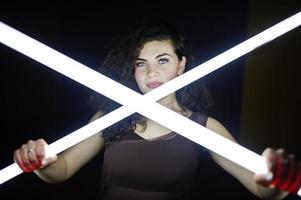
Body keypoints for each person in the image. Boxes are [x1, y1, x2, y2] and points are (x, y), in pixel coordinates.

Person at [13, 22, 300, 200]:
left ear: (181, 65)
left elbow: (261, 188)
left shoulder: (203, 126)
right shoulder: (111, 119)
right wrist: (41, 163)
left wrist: (276, 181)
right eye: (141, 63)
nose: (151, 71)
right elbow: (61, 170)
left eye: (163, 60)